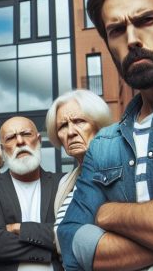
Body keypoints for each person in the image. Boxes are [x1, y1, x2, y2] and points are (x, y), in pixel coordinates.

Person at [57, 0, 153, 270]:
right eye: (116, 30)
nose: (132, 40)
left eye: (146, 20)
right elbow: (70, 240)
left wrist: (108, 213)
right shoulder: (103, 144)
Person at [0, 116, 63, 271]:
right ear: (3, 150)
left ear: (39, 140)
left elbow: (68, 232)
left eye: (26, 134)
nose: (20, 141)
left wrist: (19, 228)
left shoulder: (62, 182)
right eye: (11, 138)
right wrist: (52, 249)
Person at [45, 89, 112, 253]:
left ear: (99, 124)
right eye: (62, 126)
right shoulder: (65, 183)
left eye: (79, 121)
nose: (70, 132)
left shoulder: (120, 169)